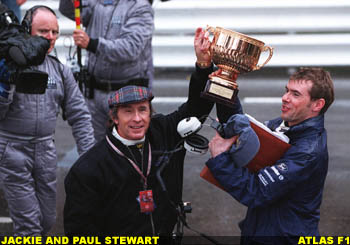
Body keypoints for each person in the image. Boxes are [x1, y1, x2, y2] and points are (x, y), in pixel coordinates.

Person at [63, 27, 243, 237]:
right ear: (114, 118)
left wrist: (203, 66)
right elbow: (80, 232)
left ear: (151, 112)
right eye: (128, 112)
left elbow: (196, 111)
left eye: (142, 110)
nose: (137, 118)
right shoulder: (88, 169)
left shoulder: (164, 131)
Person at [206, 68, 334, 244]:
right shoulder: (285, 124)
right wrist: (224, 88)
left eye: (295, 94)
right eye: (286, 90)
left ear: (317, 105)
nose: (285, 97)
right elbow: (240, 130)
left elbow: (257, 191)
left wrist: (220, 159)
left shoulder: (308, 152)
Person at [0, 5, 95, 236]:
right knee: (29, 227)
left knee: (47, 220)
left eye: (55, 32)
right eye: (44, 32)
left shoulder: (60, 71)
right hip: (12, 150)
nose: (50, 38)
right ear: (27, 31)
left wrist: (91, 159)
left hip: (45, 150)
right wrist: (7, 83)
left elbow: (80, 115)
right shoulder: (7, 65)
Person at [59, 0, 154, 142]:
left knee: (128, 149)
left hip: (127, 96)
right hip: (94, 95)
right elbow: (68, 9)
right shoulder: (96, 3)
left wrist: (92, 44)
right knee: (93, 150)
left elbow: (130, 48)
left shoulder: (140, 7)